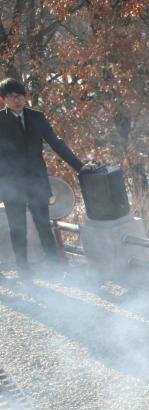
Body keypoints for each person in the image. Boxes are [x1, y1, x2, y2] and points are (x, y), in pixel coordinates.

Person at [0, 77, 98, 273]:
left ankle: (55, 269)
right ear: (3, 100)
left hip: (37, 180)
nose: (16, 100)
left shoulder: (37, 117)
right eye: (11, 97)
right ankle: (24, 271)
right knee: (17, 229)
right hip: (11, 184)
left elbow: (56, 143)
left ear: (25, 96)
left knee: (43, 225)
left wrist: (79, 166)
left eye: (19, 95)